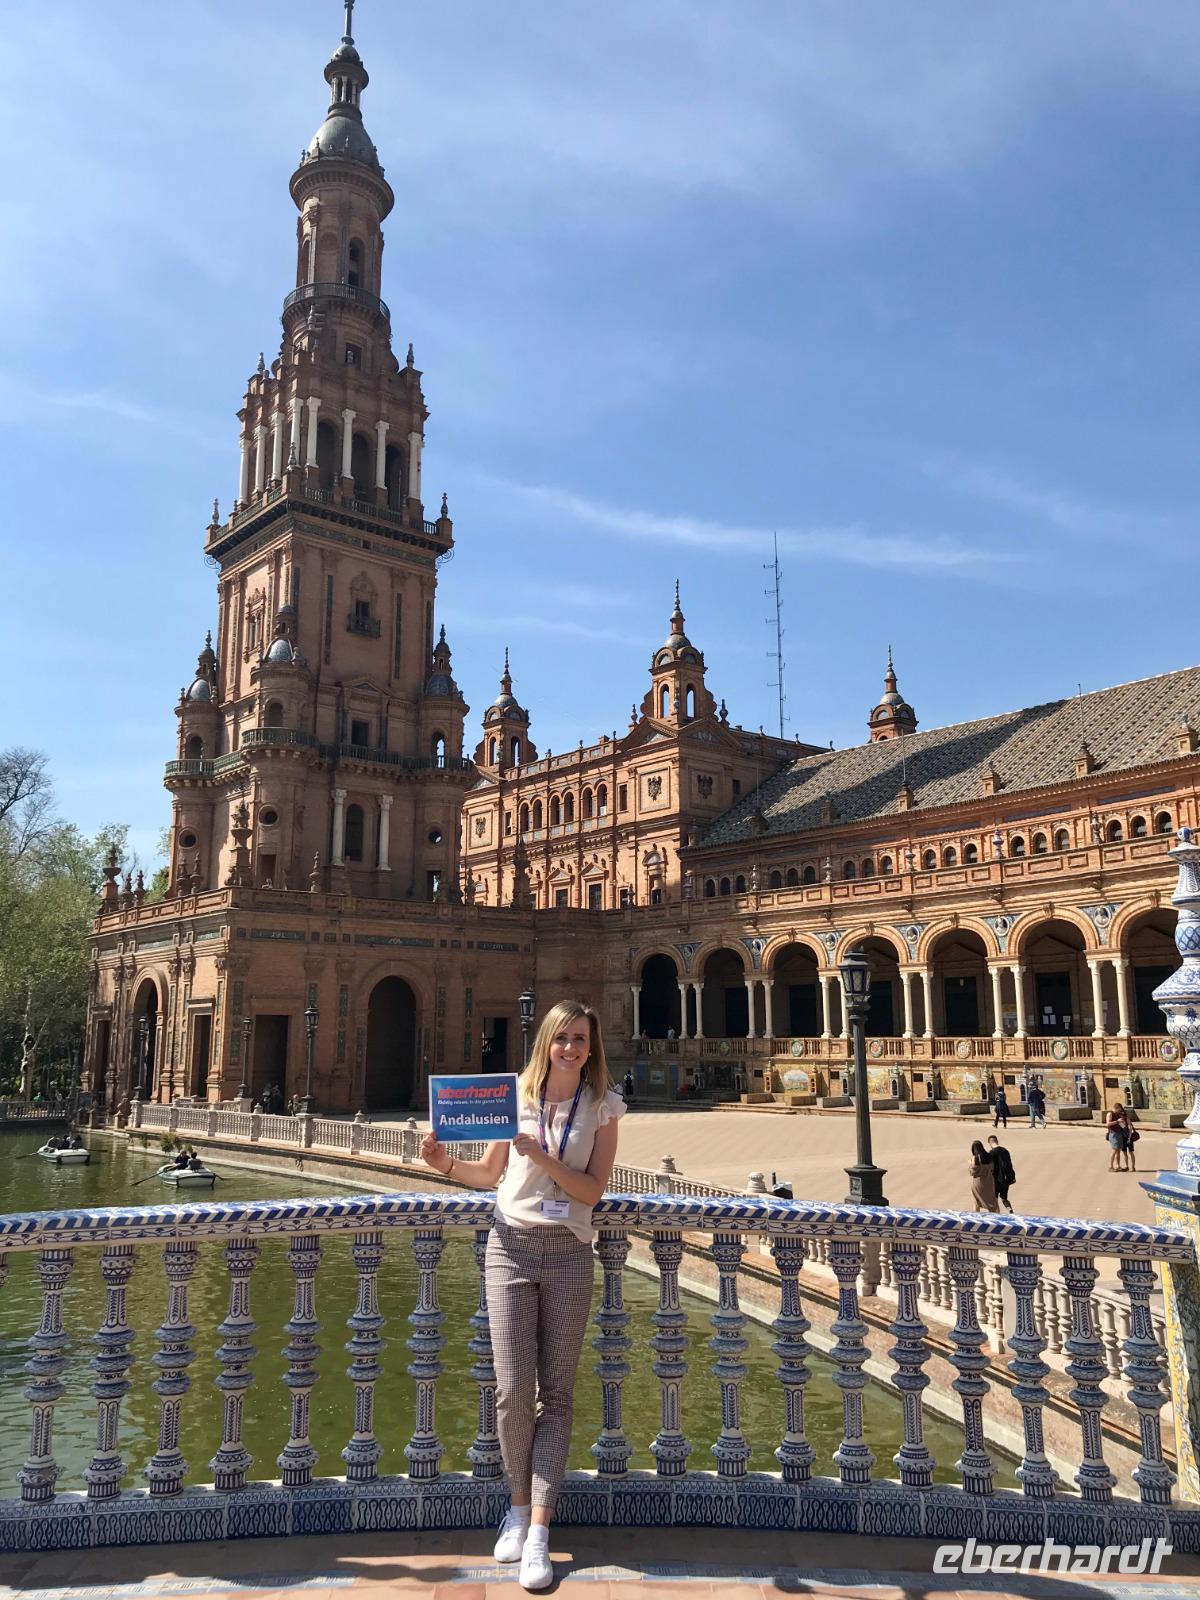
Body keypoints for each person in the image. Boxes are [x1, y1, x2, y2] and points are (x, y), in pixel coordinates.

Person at [420, 999, 623, 1591]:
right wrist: (444, 1164)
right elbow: (488, 1175)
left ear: (591, 1046)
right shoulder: (514, 1098)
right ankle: (514, 1506)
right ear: (546, 1042)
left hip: (568, 1253)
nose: (572, 1048)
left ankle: (538, 1529)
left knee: (556, 1394)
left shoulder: (603, 1106)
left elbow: (591, 1191)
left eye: (581, 1038)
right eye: (563, 1037)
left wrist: (543, 1157)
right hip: (509, 1248)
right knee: (512, 1391)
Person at [986, 1133, 1015, 1212]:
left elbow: (990, 1167)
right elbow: (1009, 1164)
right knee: (1004, 1198)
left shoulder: (991, 1153)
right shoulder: (1005, 1151)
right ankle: (1009, 1209)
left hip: (996, 1180)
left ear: (990, 1143)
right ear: (997, 1141)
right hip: (1007, 1178)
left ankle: (997, 1215)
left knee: (995, 1199)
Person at [969, 1138, 1000, 1212]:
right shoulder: (989, 1156)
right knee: (991, 1202)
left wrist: (971, 1163)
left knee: (976, 1202)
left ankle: (976, 1217)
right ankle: (995, 1216)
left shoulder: (975, 1158)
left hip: (978, 1183)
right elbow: (992, 1168)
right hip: (989, 1182)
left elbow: (973, 1172)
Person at [1105, 1104, 1129, 1171]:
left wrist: (1124, 1124)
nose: (1120, 1111)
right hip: (1113, 1134)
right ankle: (1110, 1167)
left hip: (1119, 1133)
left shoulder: (1118, 1114)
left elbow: (1122, 1125)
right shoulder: (1110, 1114)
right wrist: (1117, 1121)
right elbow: (1108, 1124)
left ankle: (1118, 1166)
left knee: (1118, 1151)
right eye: (1119, 1110)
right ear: (1116, 1108)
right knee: (1114, 1150)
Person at [1124, 1103, 1141, 1172]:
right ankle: (1127, 1166)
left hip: (1129, 1138)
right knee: (1125, 1153)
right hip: (1123, 1138)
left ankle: (1133, 1167)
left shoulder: (1127, 1119)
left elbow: (1130, 1128)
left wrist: (1129, 1138)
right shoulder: (1120, 1120)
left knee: (1131, 1152)